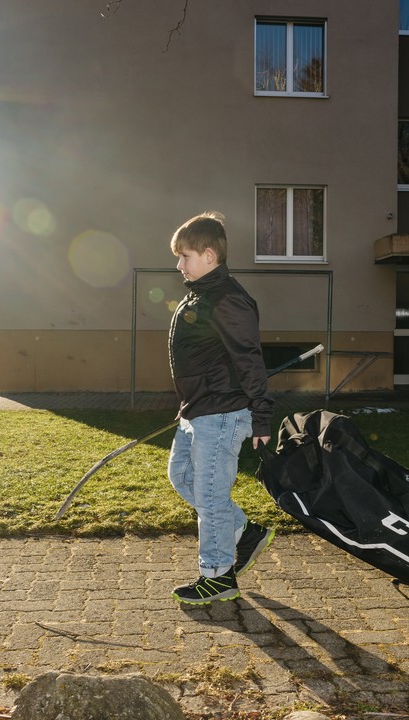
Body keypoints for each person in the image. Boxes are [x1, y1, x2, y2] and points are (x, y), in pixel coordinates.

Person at [165, 211, 275, 605]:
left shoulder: (228, 299)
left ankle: (218, 575)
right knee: (182, 476)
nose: (179, 264)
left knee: (211, 497)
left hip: (223, 412)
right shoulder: (200, 293)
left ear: (209, 255)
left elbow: (249, 359)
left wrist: (261, 415)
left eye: (185, 256)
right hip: (198, 409)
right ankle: (244, 532)